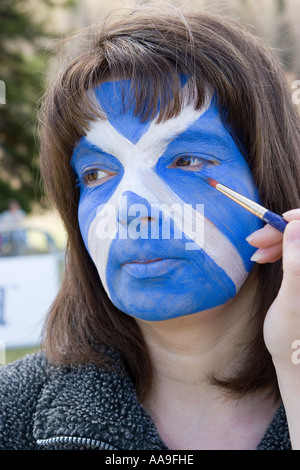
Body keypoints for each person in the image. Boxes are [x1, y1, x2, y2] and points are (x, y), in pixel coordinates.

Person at [1, 5, 300, 450]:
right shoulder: (12, 412)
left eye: (185, 160)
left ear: (269, 180)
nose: (132, 212)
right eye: (97, 174)